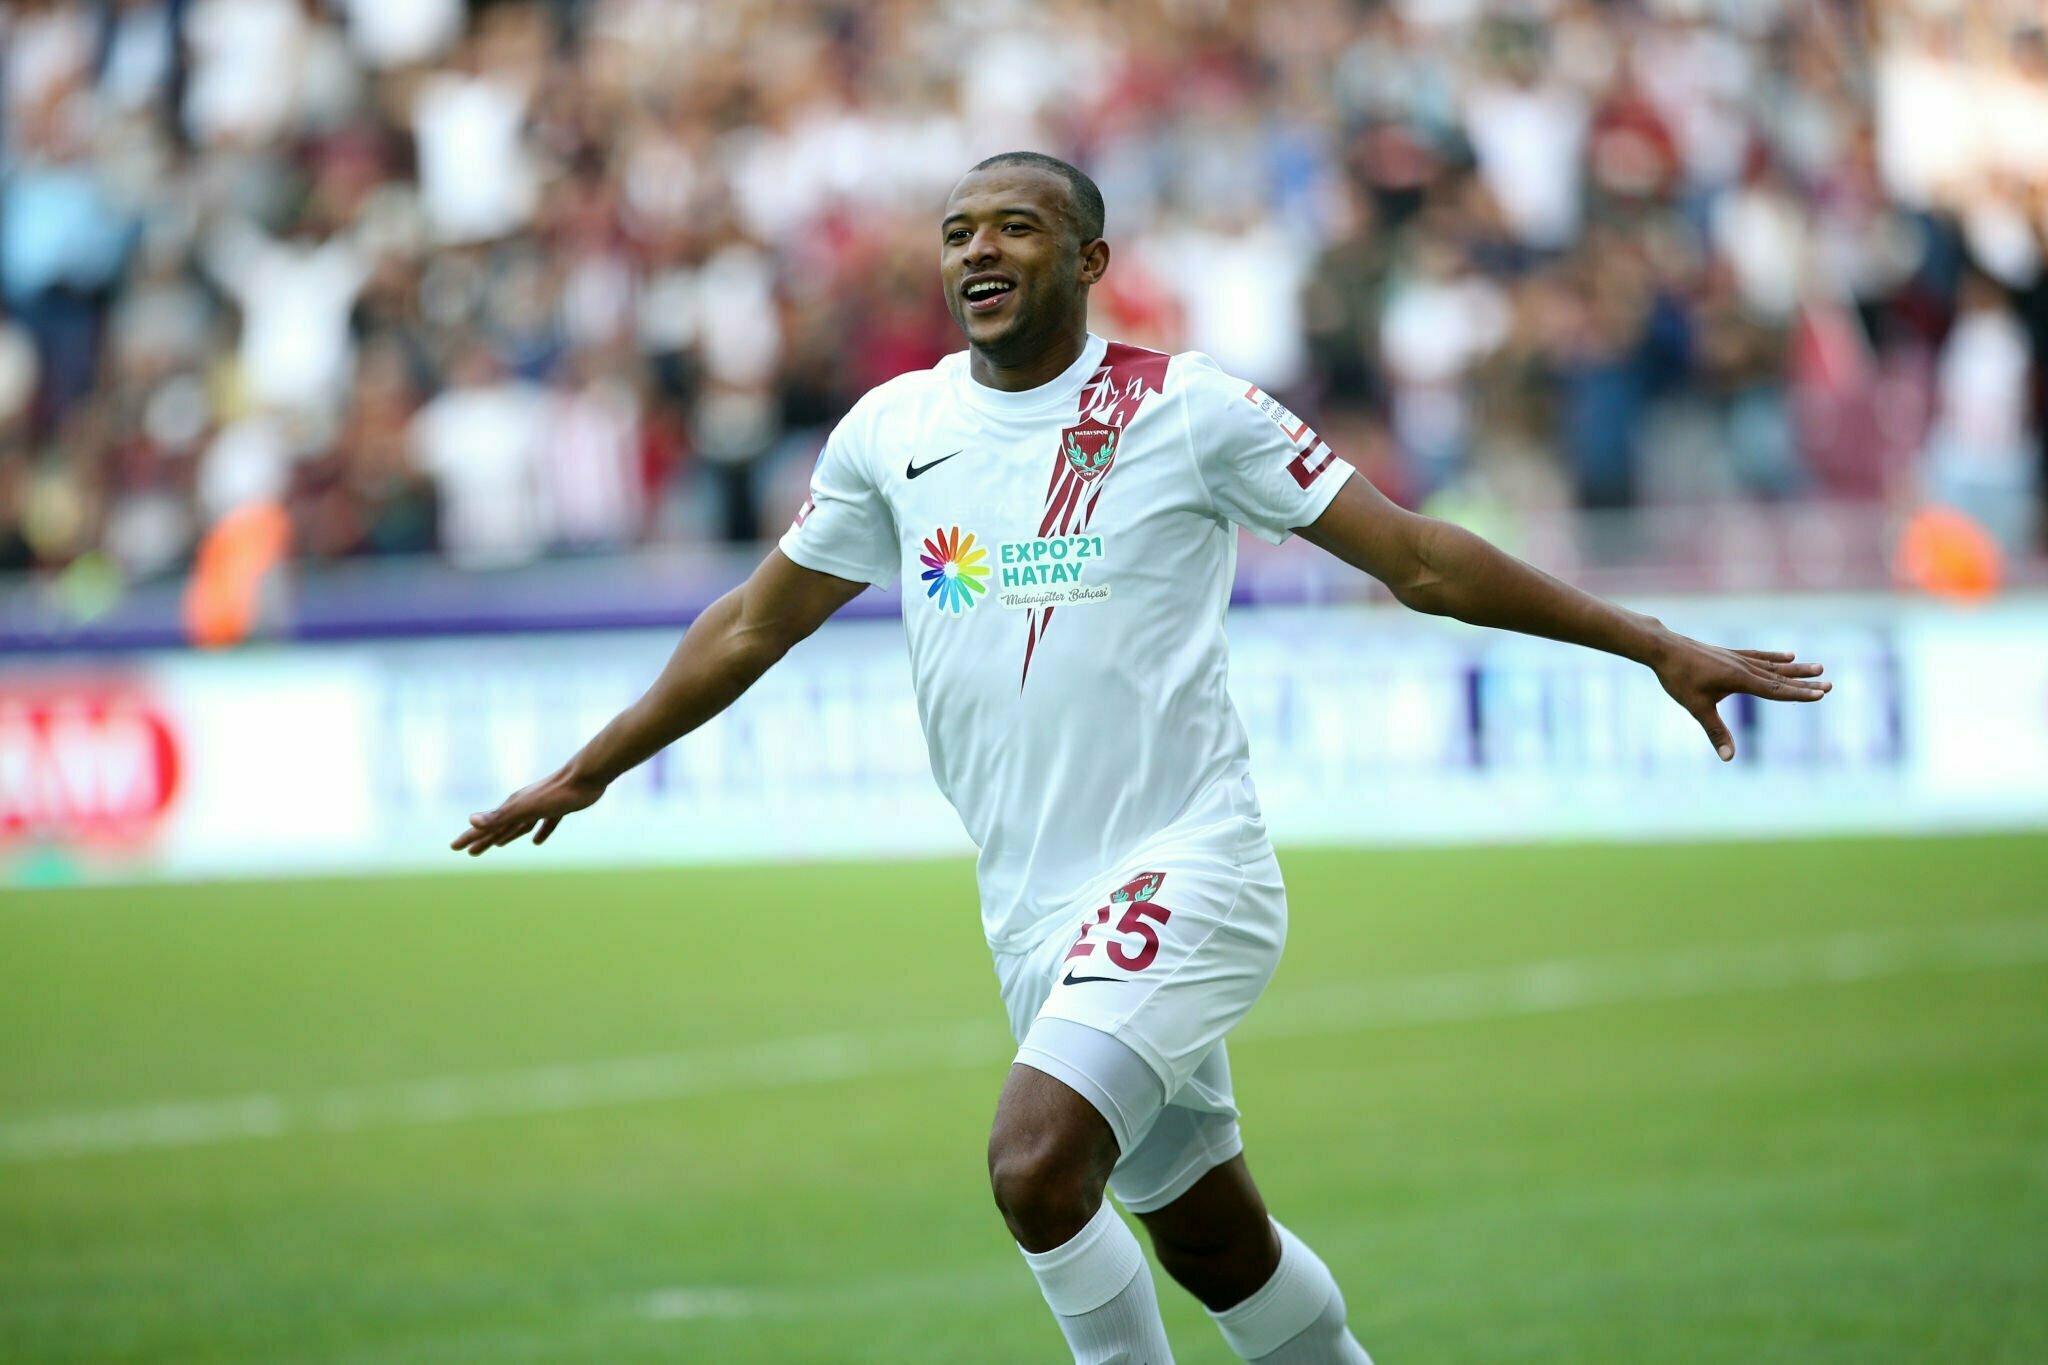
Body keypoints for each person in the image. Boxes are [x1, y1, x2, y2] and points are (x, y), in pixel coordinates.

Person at [452, 152, 1832, 1364]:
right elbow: (758, 618)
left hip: (1190, 871)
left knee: (1036, 1167)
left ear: (1092, 260)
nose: (978, 250)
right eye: (958, 230)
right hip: (1034, 910)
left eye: (1015, 226)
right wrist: (594, 765)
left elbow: (1414, 554)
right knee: (1216, 1248)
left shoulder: (1192, 411)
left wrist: (1648, 640)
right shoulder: (895, 435)